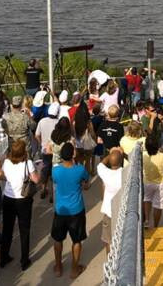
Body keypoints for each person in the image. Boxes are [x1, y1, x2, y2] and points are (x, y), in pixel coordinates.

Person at [0, 139, 39, 271]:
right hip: (23, 199)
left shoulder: (7, 162)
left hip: (8, 198)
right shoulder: (28, 163)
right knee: (24, 230)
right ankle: (24, 260)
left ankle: (4, 257)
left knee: (7, 229)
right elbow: (36, 179)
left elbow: (2, 176)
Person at [50, 143, 90, 279]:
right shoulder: (80, 169)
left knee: (58, 239)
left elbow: (55, 182)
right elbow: (87, 184)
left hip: (60, 210)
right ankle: (74, 269)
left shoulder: (55, 170)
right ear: (73, 154)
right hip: (76, 210)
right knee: (77, 240)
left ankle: (58, 266)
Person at [97, 148, 123, 255]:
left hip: (109, 212)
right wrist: (121, 154)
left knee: (108, 240)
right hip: (122, 212)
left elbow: (101, 164)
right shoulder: (125, 173)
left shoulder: (105, 173)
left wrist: (110, 154)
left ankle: (109, 262)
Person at [142, 132, 163, 229]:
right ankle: (156, 226)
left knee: (147, 200)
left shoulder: (143, 156)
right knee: (158, 205)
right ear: (157, 145)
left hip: (147, 182)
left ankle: (146, 221)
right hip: (160, 183)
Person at [35, 103, 59, 200]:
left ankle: (43, 189)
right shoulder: (58, 122)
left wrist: (41, 143)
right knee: (54, 173)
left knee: (44, 171)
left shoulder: (42, 121)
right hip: (55, 151)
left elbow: (36, 135)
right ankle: (53, 195)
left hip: (44, 150)